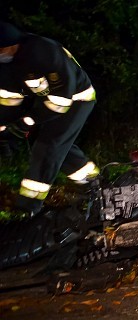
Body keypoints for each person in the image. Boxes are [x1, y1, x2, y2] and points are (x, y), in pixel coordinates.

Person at [0, 21, 98, 217]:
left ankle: (28, 208)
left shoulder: (44, 52)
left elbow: (61, 101)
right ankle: (91, 182)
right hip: (46, 104)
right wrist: (4, 128)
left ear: (11, 44)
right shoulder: (7, 65)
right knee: (59, 146)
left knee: (47, 146)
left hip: (76, 99)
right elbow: (9, 100)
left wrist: (27, 121)